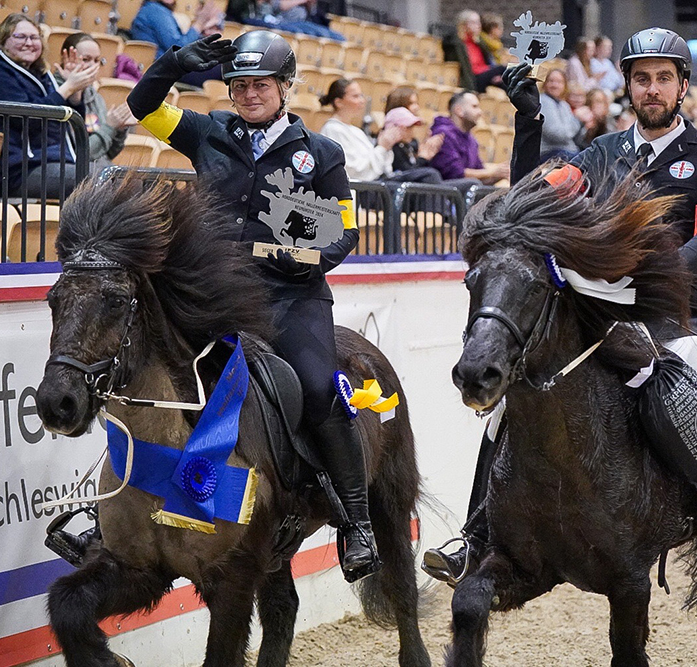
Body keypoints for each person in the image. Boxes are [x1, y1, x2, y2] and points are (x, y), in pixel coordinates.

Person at [424, 27, 697, 585]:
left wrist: (651, 277)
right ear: (627, 85)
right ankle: (474, 536)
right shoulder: (601, 153)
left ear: (683, 86)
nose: (652, 89)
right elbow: (529, 198)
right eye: (642, 79)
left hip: (672, 316)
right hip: (599, 315)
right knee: (513, 397)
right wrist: (529, 124)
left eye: (663, 79)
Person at [125, 30, 379, 582]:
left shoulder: (323, 154)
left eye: (260, 85)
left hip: (291, 298)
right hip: (216, 295)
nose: (248, 94)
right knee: (151, 372)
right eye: (238, 86)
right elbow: (141, 105)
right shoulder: (207, 132)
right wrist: (172, 64)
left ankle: (356, 523)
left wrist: (304, 258)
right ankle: (117, 517)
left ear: (286, 87)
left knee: (317, 387)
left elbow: (345, 232)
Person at [0, 13, 95, 199]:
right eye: (20, 37)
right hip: (17, 170)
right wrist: (67, 88)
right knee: (100, 181)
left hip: (53, 161)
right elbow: (28, 118)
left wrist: (75, 93)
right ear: (2, 40)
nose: (29, 43)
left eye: (34, 37)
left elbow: (71, 125)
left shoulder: (40, 74)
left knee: (118, 178)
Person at [318, 78, 441, 184]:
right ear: (338, 102)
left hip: (377, 182)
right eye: (355, 96)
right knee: (429, 176)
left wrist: (386, 147)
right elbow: (356, 171)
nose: (362, 100)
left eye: (361, 95)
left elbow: (384, 168)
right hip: (364, 188)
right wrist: (383, 146)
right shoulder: (333, 130)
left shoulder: (357, 131)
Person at [54, 32, 137, 172]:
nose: (92, 66)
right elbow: (81, 153)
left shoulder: (96, 97)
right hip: (74, 169)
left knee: (139, 181)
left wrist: (119, 129)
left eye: (96, 60)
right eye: (86, 59)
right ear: (66, 58)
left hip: (100, 167)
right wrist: (110, 127)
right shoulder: (56, 93)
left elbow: (107, 153)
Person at [130, 0, 224, 86]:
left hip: (172, 68)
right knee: (227, 64)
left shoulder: (158, 10)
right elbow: (178, 47)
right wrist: (199, 23)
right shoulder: (155, 10)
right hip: (167, 70)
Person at [428, 91, 509, 185]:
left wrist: (500, 174)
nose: (480, 112)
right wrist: (491, 172)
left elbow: (480, 177)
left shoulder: (471, 140)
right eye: (474, 107)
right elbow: (455, 173)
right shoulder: (443, 133)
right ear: (459, 110)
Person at [441, 10, 506, 93]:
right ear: (464, 25)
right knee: (504, 68)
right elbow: (465, 69)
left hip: (485, 73)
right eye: (474, 22)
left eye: (479, 22)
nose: (478, 26)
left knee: (505, 83)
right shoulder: (457, 43)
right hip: (474, 79)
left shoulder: (478, 42)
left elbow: (487, 63)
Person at [539, 69, 583, 160]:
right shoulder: (543, 101)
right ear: (545, 84)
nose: (554, 85)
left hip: (567, 150)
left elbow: (569, 134)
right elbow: (558, 134)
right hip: (549, 152)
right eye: (551, 81)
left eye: (559, 82)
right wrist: (577, 119)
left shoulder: (564, 105)